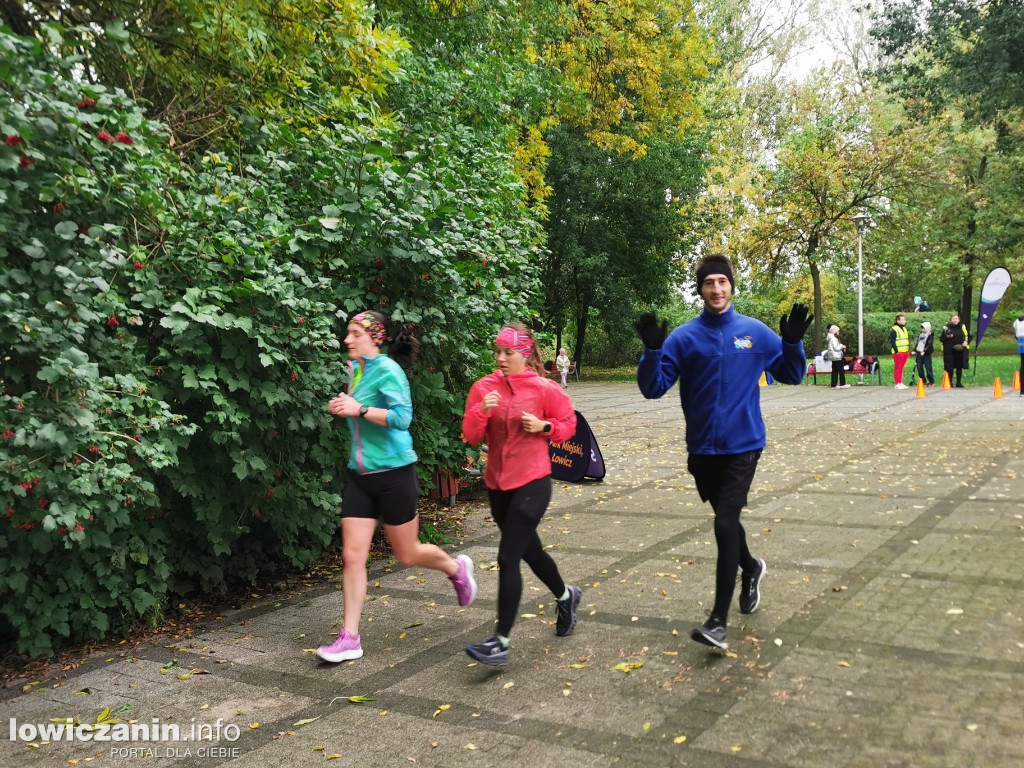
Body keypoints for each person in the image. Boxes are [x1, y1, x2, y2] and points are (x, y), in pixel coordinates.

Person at [634, 255, 811, 650]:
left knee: (724, 522)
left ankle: (717, 620)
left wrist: (793, 342)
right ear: (700, 289)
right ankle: (751, 567)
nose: (717, 289)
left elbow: (792, 374)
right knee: (726, 521)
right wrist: (651, 352)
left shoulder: (754, 332)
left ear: (732, 286)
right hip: (702, 451)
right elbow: (653, 388)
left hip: (744, 445)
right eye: (709, 283)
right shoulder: (683, 337)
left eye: (722, 282)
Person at [316, 311, 477, 663]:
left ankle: (456, 568)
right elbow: (361, 412)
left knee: (408, 554)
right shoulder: (356, 370)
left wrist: (358, 409)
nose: (347, 339)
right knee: (352, 556)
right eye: (348, 333)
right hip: (360, 475)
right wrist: (343, 407)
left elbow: (402, 419)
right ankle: (350, 638)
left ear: (375, 337)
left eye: (355, 333)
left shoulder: (389, 370)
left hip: (394, 474)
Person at [461, 323, 580, 667]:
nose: (500, 358)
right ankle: (566, 595)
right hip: (498, 485)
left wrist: (545, 427)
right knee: (532, 552)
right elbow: (470, 436)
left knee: (508, 557)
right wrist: (481, 409)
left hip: (533, 482)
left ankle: (500, 641)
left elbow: (568, 425)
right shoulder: (483, 388)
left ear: (524, 354)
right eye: (497, 351)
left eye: (508, 352)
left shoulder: (544, 389)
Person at [941, 312, 970, 388]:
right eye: (953, 319)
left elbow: (966, 336)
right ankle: (949, 382)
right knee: (949, 367)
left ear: (959, 320)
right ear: (950, 320)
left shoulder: (962, 327)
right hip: (949, 350)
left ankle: (959, 382)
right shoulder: (946, 327)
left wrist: (965, 341)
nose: (955, 320)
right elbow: (942, 339)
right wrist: (948, 337)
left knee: (959, 366)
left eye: (957, 318)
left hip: (960, 350)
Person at [889, 313, 911, 389]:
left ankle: (900, 382)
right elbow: (892, 341)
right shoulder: (894, 329)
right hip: (898, 352)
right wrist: (896, 351)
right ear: (898, 321)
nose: (905, 321)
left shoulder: (904, 329)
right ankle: (897, 383)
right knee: (898, 367)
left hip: (905, 351)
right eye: (903, 319)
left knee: (901, 368)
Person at [914, 321, 935, 387]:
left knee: (928, 368)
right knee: (919, 367)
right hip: (919, 353)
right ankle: (923, 380)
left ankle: (931, 381)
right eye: (922, 328)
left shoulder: (930, 335)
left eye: (924, 328)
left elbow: (929, 344)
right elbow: (918, 343)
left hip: (926, 354)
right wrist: (914, 350)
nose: (922, 329)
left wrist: (924, 351)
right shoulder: (921, 335)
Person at [1014, 315, 1024, 396]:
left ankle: (1022, 390)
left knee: (1023, 365)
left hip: (1021, 342)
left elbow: (1016, 335)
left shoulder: (1017, 321)